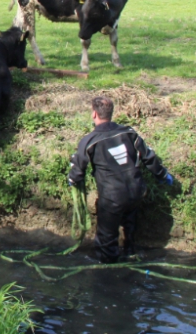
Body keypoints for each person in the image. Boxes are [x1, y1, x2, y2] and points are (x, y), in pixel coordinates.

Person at [67, 96, 173, 263]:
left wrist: (72, 180)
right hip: (137, 190)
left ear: (94, 114)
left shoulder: (89, 141)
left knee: (106, 238)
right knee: (130, 226)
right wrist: (162, 175)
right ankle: (130, 251)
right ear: (111, 113)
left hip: (112, 197)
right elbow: (149, 157)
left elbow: (78, 169)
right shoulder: (129, 133)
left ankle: (107, 267)